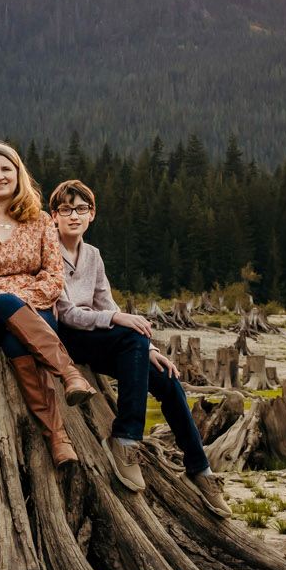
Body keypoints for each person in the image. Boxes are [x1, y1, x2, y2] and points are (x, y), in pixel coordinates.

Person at [50, 179, 231, 515]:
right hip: (66, 338)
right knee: (131, 333)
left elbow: (107, 302)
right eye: (65, 209)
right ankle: (126, 438)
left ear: (92, 215)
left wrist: (149, 349)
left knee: (165, 377)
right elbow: (66, 313)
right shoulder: (47, 250)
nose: (73, 215)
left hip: (97, 336)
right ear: (54, 216)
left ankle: (200, 469)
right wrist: (119, 323)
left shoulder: (93, 255)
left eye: (81, 209)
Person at [0, 142, 100, 469]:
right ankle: (69, 373)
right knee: (2, 301)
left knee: (19, 340)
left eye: (5, 169)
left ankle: (58, 439)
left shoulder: (40, 221)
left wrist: (20, 298)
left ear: (18, 175)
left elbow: (55, 277)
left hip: (34, 311)